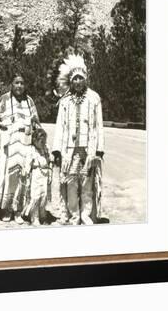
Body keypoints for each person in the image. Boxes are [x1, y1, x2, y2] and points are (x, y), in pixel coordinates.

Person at [52, 54, 104, 225]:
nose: (78, 82)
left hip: (87, 149)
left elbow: (99, 125)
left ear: (85, 79)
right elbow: (60, 126)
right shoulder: (65, 101)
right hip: (70, 151)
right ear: (71, 81)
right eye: (75, 79)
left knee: (87, 184)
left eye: (81, 78)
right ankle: (73, 215)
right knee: (71, 185)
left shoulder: (94, 98)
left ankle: (85, 215)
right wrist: (57, 150)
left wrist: (99, 149)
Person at [0, 73, 40, 223]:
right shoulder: (4, 99)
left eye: (22, 83)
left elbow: (36, 123)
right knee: (8, 177)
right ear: (11, 84)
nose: (19, 86)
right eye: (16, 83)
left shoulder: (29, 101)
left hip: (25, 144)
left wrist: (38, 142)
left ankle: (18, 211)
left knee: (23, 178)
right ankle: (6, 209)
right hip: (8, 145)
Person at [22, 128, 53, 226]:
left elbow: (50, 161)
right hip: (35, 174)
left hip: (45, 174)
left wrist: (50, 173)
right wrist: (26, 174)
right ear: (34, 140)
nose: (43, 143)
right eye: (41, 141)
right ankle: (34, 217)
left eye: (44, 141)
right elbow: (28, 164)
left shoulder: (46, 149)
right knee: (35, 196)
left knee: (44, 196)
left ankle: (43, 215)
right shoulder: (31, 150)